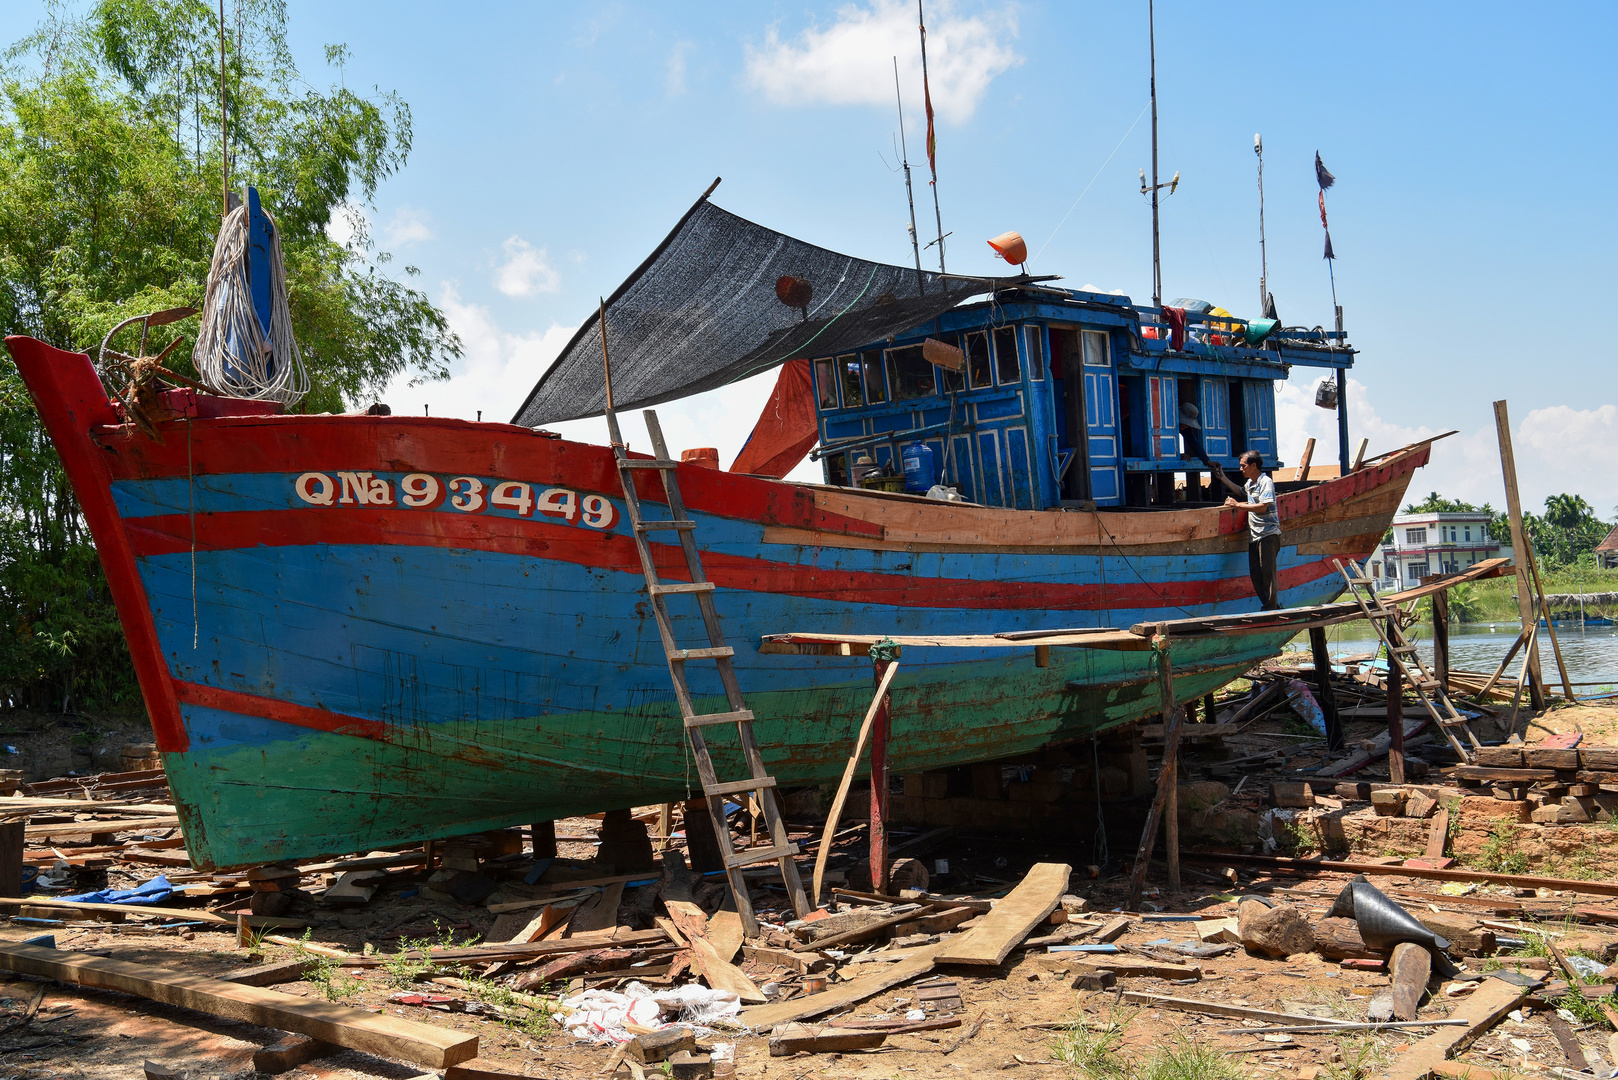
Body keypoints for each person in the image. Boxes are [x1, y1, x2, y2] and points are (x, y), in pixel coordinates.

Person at [1224, 450, 1281, 610]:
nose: (1241, 469)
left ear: (1254, 465)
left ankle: (1271, 607)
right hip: (1255, 536)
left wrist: (1237, 505)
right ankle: (1271, 605)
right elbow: (1240, 491)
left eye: (1243, 466)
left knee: (1268, 573)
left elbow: (1263, 507)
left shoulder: (1265, 482)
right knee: (1256, 574)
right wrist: (1223, 478)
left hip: (1268, 534)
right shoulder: (1250, 484)